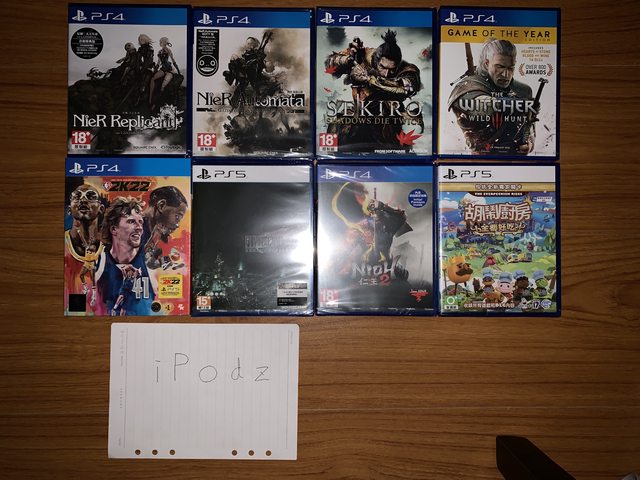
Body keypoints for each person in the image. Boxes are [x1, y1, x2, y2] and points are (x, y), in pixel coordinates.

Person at [325, 30, 422, 151]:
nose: (386, 73)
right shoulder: (365, 54)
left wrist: (369, 80)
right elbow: (330, 63)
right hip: (359, 114)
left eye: (392, 70)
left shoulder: (408, 69)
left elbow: (405, 89)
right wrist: (348, 59)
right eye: (382, 67)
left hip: (387, 122)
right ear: (376, 60)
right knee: (335, 130)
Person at [448, 38, 536, 155]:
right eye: (499, 67)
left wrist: (529, 144)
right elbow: (484, 106)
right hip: (480, 157)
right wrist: (520, 104)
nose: (506, 74)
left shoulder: (523, 90)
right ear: (486, 64)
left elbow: (530, 130)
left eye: (510, 68)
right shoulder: (468, 86)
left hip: (515, 158)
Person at [97, 197, 155, 315]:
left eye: (140, 222)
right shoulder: (98, 263)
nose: (139, 228)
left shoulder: (150, 263)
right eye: (131, 221)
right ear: (114, 229)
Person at [64, 184, 105, 312]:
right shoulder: (62, 246)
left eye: (90, 196)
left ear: (101, 209)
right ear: (69, 209)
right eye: (77, 197)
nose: (83, 200)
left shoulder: (111, 247)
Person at [141, 186, 188, 269]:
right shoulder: (133, 228)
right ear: (161, 206)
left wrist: (159, 262)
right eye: (177, 216)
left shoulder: (153, 230)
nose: (177, 225)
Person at [149, 37, 180, 108]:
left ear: (165, 42)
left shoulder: (168, 50)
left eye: (161, 41)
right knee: (152, 79)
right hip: (163, 69)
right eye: (160, 41)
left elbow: (173, 61)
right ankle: (150, 99)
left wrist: (178, 72)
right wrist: (155, 70)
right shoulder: (160, 51)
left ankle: (156, 103)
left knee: (163, 86)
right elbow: (158, 63)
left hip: (169, 70)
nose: (160, 43)